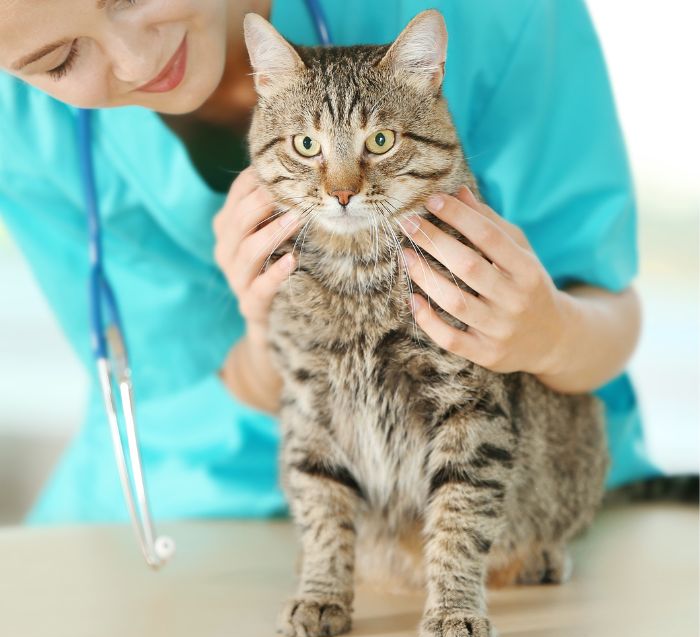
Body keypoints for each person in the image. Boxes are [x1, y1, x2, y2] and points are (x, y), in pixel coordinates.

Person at [0, 0, 661, 525]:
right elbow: (165, 394)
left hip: (499, 498)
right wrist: (270, 351)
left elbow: (606, 304)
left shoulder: (499, 11)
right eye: (58, 61)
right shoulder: (22, 126)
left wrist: (547, 333)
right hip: (179, 507)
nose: (137, 59)